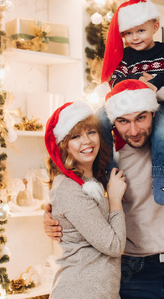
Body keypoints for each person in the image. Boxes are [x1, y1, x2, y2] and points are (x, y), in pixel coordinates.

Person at [45, 80, 164, 298]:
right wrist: (52, 216)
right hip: (135, 271)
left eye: (141, 117)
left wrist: (156, 88)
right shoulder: (105, 154)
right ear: (112, 121)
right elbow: (78, 192)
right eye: (123, 121)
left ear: (153, 112)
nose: (134, 130)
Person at [98, 0, 164, 206]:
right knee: (98, 119)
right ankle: (109, 167)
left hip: (156, 103)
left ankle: (160, 179)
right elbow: (116, 78)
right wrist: (138, 81)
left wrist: (155, 82)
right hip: (127, 101)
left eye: (141, 31)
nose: (135, 38)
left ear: (155, 27)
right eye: (128, 33)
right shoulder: (126, 55)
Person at [44, 100, 127, 299]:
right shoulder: (70, 188)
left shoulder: (91, 182)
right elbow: (114, 246)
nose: (87, 141)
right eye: (75, 137)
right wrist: (115, 199)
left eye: (91, 132)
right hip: (79, 292)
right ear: (64, 145)